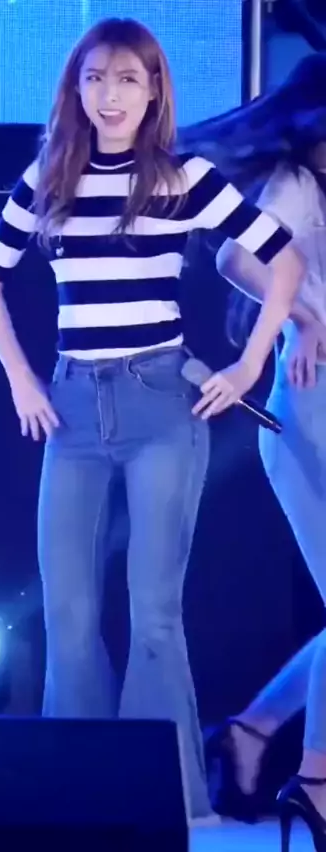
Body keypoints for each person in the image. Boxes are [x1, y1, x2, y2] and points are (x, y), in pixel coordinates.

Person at [0, 17, 300, 821]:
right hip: (71, 409)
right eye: (94, 79)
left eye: (126, 79)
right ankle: (78, 797)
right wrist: (21, 380)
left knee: (153, 612)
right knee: (69, 615)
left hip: (162, 405)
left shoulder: (184, 176)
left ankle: (166, 802)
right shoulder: (51, 174)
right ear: (75, 90)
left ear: (153, 90)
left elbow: (284, 258)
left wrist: (250, 363)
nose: (108, 95)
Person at [181, 53, 326, 845]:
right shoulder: (300, 184)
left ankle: (254, 733)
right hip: (312, 399)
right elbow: (238, 257)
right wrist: (304, 315)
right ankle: (314, 780)